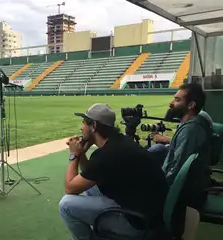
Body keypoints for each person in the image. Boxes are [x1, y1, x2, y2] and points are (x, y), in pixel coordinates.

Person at [59, 103, 169, 240]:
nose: (81, 127)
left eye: (84, 123)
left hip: (138, 224)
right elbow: (90, 174)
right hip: (149, 213)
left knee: (66, 205)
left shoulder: (108, 154)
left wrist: (74, 155)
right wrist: (82, 153)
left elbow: (70, 188)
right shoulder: (118, 142)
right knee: (91, 188)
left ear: (93, 126)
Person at [152, 83, 212, 210]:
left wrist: (155, 185)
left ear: (191, 105)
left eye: (177, 100)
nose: (171, 103)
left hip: (179, 197)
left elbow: (176, 170)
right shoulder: (191, 125)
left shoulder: (190, 130)